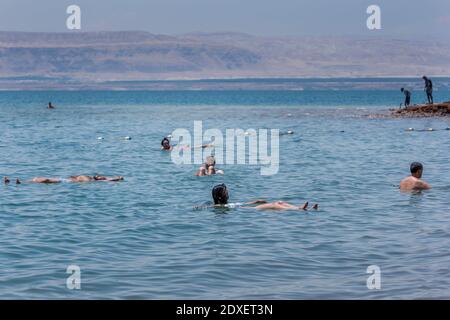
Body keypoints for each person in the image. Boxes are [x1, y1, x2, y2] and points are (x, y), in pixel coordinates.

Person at [208, 184, 318, 211]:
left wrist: (256, 201)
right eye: (225, 192)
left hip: (250, 207)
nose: (228, 193)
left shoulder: (229, 204)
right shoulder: (219, 205)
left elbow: (243, 203)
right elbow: (210, 207)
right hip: (251, 211)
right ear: (220, 196)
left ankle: (299, 208)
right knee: (275, 204)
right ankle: (298, 210)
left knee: (280, 201)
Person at [4, 175, 124, 184]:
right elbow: (108, 180)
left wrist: (117, 179)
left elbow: (108, 180)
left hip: (64, 181)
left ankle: (21, 183)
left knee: (45, 180)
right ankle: (22, 183)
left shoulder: (92, 180)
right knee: (38, 179)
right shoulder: (91, 179)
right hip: (64, 180)